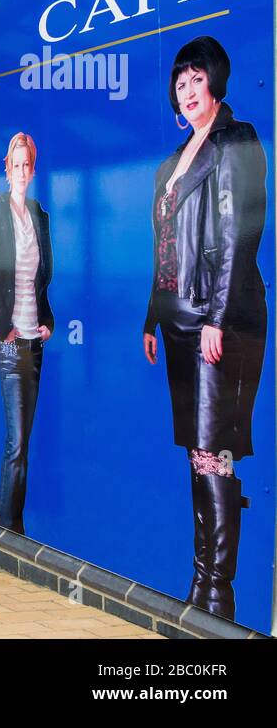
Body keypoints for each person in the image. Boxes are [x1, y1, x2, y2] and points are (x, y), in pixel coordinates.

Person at [142, 36, 267, 621]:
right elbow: (164, 246)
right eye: (180, 80)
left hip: (224, 321)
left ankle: (218, 595)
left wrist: (217, 318)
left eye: (197, 78)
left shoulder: (234, 143)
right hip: (178, 324)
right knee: (197, 452)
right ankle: (201, 585)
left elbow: (238, 237)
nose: (187, 89)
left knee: (215, 452)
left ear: (215, 80)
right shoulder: (176, 160)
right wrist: (152, 315)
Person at [0, 132, 53, 534]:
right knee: (16, 441)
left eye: (28, 164)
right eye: (16, 165)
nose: (22, 171)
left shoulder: (38, 215)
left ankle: (14, 525)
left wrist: (48, 322)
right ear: (6, 169)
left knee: (24, 440)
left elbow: (44, 276)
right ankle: (5, 530)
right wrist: (3, 327)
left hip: (35, 341)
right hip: (11, 343)